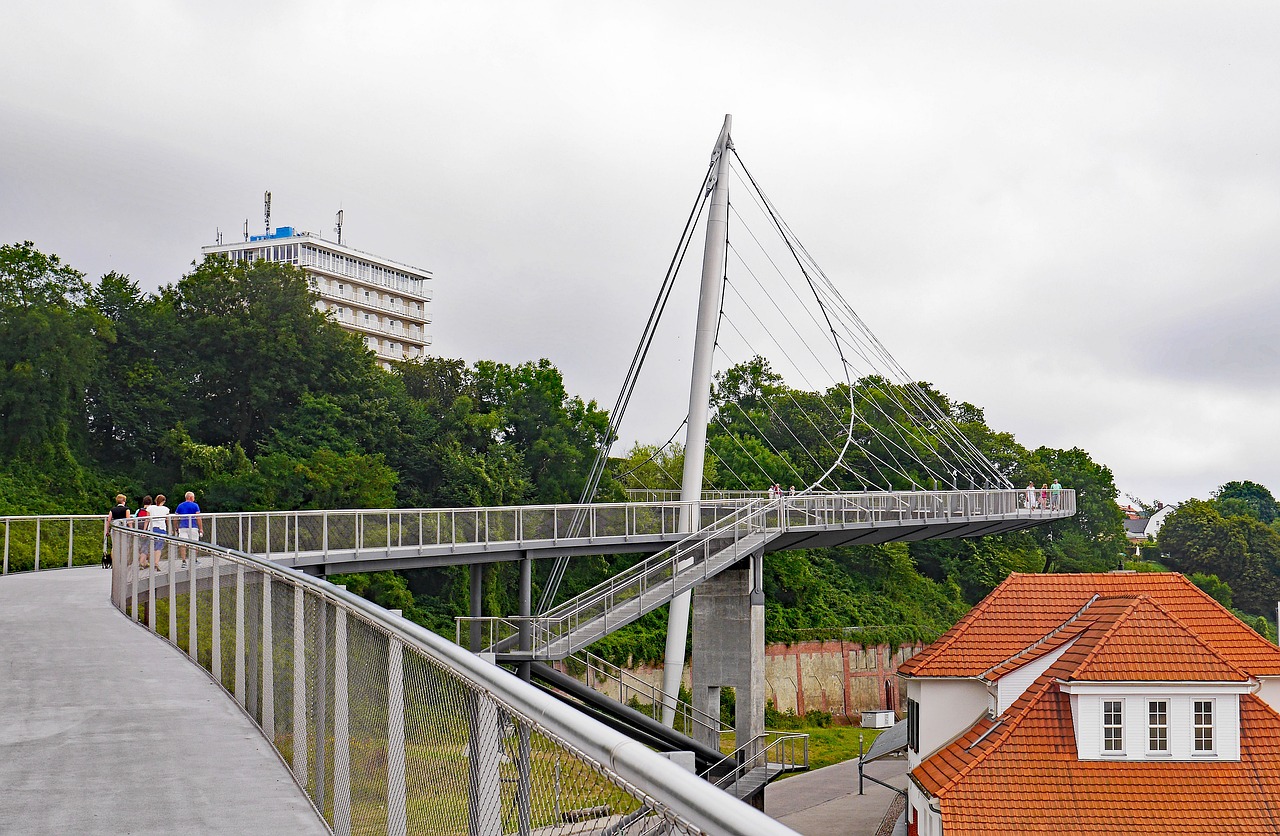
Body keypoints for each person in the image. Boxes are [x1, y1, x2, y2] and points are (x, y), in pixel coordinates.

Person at [174, 491, 203, 567]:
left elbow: (175, 517)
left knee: (182, 544)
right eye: (193, 497)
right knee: (195, 544)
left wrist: (176, 526)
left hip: (183, 527)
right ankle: (194, 560)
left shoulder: (180, 506)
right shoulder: (195, 506)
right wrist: (201, 528)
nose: (194, 499)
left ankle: (184, 561)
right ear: (190, 497)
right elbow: (198, 517)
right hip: (193, 527)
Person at [104, 494, 129, 569]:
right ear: (124, 501)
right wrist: (131, 529)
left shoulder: (112, 510)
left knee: (114, 546)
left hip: (114, 530)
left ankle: (114, 562)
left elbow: (109, 520)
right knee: (124, 545)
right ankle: (124, 562)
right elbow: (128, 520)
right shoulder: (126, 509)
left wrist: (107, 530)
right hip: (124, 530)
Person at [147, 495, 171, 568]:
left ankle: (150, 562)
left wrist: (145, 529)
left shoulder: (150, 508)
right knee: (158, 547)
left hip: (152, 528)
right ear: (163, 501)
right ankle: (156, 563)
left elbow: (147, 519)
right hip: (161, 528)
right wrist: (170, 529)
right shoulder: (166, 509)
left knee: (151, 546)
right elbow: (167, 520)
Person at [136, 495, 153, 568]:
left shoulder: (139, 510)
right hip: (148, 530)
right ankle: (142, 562)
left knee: (140, 546)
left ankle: (145, 561)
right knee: (146, 546)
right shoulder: (151, 510)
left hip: (139, 530)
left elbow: (134, 518)